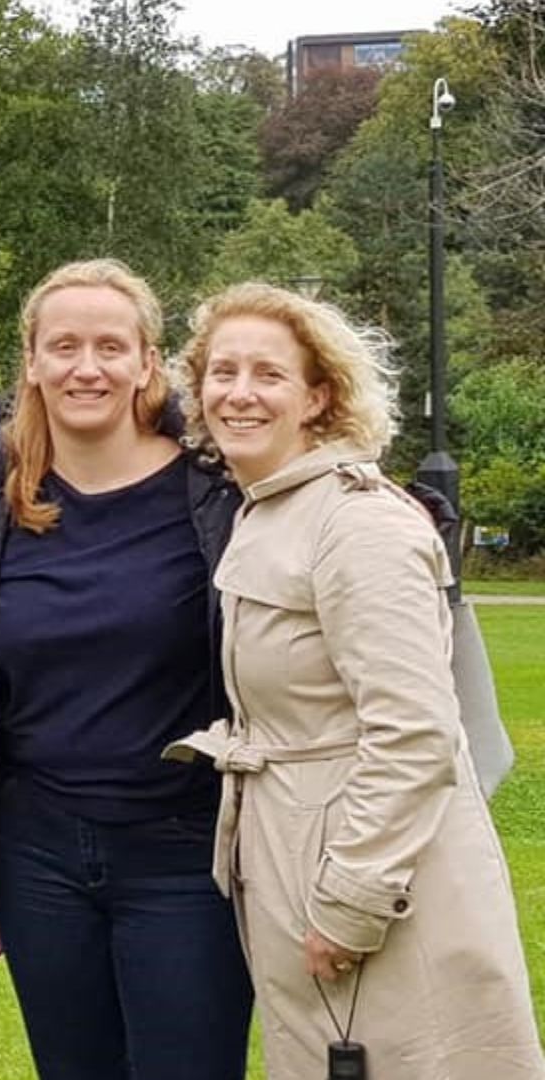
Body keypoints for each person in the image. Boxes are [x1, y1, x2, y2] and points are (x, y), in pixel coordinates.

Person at [170, 282, 545, 1079]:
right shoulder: (270, 509)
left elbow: (414, 733)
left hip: (382, 881)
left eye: (269, 374)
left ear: (318, 396)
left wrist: (351, 900)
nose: (239, 393)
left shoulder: (358, 523)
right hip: (296, 857)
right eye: (222, 371)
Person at [0, 260, 253, 1079]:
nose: (87, 367)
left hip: (187, 855)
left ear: (149, 363)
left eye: (111, 346)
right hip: (37, 856)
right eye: (63, 346)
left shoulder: (219, 491)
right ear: (31, 363)